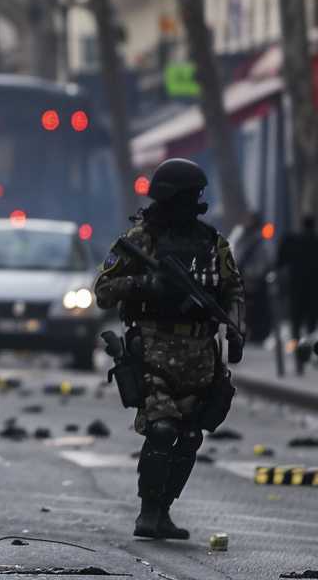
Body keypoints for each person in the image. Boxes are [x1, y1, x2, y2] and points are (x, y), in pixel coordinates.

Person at [94, 157, 243, 540]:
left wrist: (236, 331)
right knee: (161, 430)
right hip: (154, 347)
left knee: (191, 435)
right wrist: (147, 284)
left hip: (199, 351)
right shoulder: (140, 240)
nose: (196, 202)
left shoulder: (213, 243)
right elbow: (103, 292)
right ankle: (148, 512)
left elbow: (232, 290)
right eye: (190, 196)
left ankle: (164, 511)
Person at [229, 211, 274, 344]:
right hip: (251, 279)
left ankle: (251, 332)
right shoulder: (243, 236)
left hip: (245, 277)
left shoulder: (241, 236)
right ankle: (249, 331)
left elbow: (233, 254)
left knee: (247, 307)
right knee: (249, 308)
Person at [277, 215, 318, 339]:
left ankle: (297, 348)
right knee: (312, 319)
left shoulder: (292, 241)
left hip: (296, 286)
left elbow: (280, 261)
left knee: (296, 319)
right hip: (314, 286)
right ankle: (310, 346)